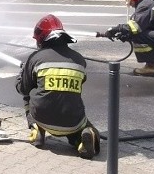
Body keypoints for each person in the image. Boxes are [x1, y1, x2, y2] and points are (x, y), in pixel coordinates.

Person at [16, 14, 100, 159]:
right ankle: (81, 139)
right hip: (72, 121)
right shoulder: (79, 59)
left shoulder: (35, 58)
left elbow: (22, 88)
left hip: (42, 117)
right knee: (84, 127)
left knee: (27, 95)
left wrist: (22, 74)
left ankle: (36, 130)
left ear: (42, 39)